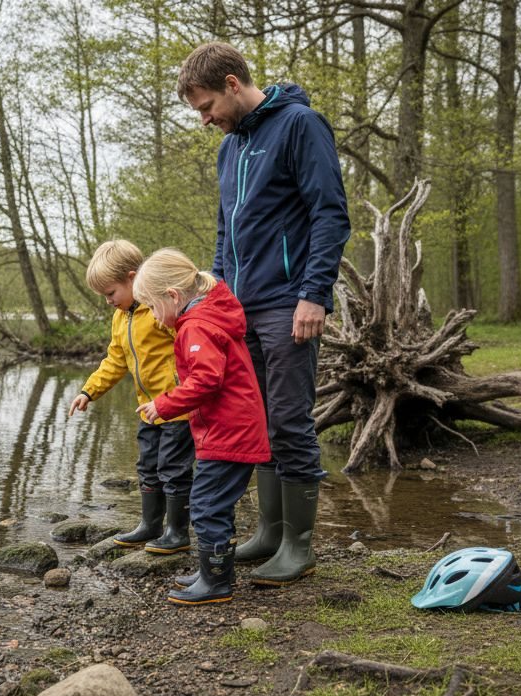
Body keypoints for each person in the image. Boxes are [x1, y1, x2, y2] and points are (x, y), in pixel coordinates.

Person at [175, 42, 352, 586]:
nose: (206, 120)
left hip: (288, 303)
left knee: (290, 420)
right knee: (253, 422)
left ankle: (299, 543)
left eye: (207, 107)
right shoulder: (230, 150)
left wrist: (314, 293)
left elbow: (329, 213)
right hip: (239, 310)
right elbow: (226, 232)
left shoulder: (300, 125)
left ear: (233, 83)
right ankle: (271, 530)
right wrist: (212, 297)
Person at [134, 248, 270, 606]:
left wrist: (163, 405)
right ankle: (211, 571)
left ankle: (217, 582)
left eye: (151, 306)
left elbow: (206, 380)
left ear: (173, 297)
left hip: (229, 433)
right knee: (212, 503)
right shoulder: (207, 318)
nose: (151, 315)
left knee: (207, 504)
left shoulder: (197, 326)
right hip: (228, 430)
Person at [68, 240, 195, 555]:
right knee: (148, 466)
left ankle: (177, 532)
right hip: (147, 409)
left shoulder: (158, 310)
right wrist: (89, 390)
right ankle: (150, 524)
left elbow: (188, 343)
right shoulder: (120, 318)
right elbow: (115, 361)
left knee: (173, 468)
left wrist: (187, 388)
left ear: (132, 277)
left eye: (111, 293)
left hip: (177, 408)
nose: (108, 301)